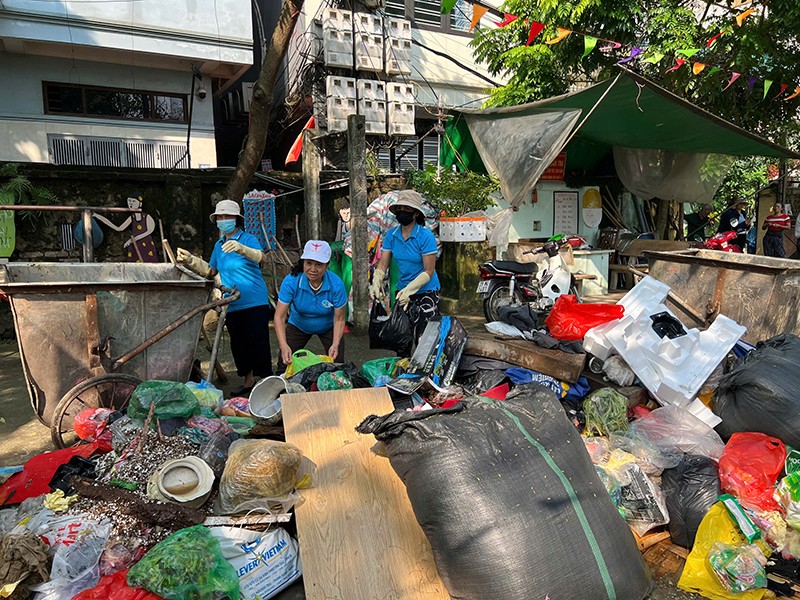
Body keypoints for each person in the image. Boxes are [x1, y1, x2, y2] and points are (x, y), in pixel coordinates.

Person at [176, 199, 272, 395]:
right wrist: (191, 261)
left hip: (255, 301)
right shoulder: (219, 245)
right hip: (232, 302)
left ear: (236, 219)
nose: (223, 219)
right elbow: (211, 271)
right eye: (219, 217)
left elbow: (263, 258)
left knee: (258, 342)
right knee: (239, 344)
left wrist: (242, 249)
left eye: (227, 216)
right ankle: (247, 382)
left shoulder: (248, 239)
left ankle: (266, 385)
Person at [369, 190, 440, 341]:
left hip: (426, 292)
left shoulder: (425, 236)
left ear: (415, 214)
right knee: (402, 338)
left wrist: (410, 290)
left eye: (407, 209)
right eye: (400, 209)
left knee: (424, 340)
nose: (402, 213)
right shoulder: (392, 235)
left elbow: (429, 271)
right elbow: (383, 264)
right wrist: (376, 280)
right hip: (402, 292)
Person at [274, 240, 347, 371]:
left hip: (328, 326)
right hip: (298, 324)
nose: (312, 269)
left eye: (319, 265)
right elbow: (279, 317)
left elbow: (340, 319)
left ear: (327, 265)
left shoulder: (336, 284)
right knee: (284, 363)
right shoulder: (291, 281)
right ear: (303, 262)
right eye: (308, 263)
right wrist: (283, 345)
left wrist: (335, 343)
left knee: (337, 364)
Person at [93, 191, 159, 262]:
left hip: (145, 245)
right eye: (129, 201)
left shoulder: (146, 217)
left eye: (133, 201)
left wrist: (133, 239)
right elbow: (119, 228)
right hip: (134, 245)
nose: (131, 203)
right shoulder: (132, 217)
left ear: (140, 203)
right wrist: (98, 216)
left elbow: (149, 230)